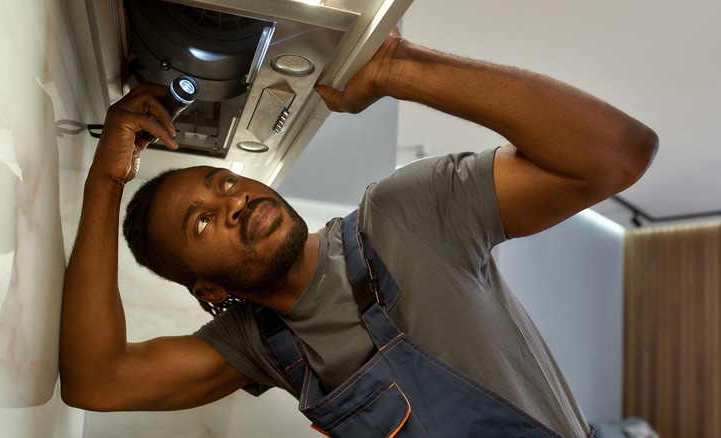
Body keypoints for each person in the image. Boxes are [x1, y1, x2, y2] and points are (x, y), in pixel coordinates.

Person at [60, 28, 657, 437]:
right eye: (202, 222)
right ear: (208, 291)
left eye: (221, 183)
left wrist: (396, 67)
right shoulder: (262, 347)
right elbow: (96, 381)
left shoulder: (404, 215)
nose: (233, 203)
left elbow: (617, 155)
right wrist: (105, 181)